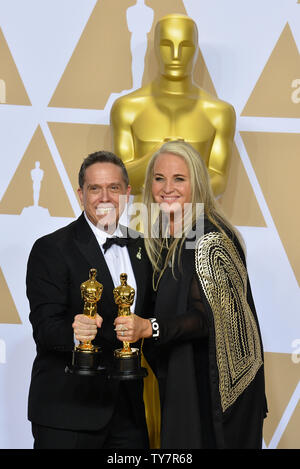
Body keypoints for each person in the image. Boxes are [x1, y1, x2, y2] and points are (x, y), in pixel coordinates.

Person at [115, 140, 268, 449]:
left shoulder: (209, 236)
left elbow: (206, 319)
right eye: (159, 178)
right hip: (180, 381)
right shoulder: (165, 236)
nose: (166, 187)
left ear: (196, 184)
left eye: (179, 179)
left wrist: (150, 327)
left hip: (212, 397)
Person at [26, 151, 153, 449]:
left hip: (128, 414)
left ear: (127, 194)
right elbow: (44, 329)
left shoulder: (144, 249)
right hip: (68, 414)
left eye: (114, 188)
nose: (105, 197)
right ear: (81, 194)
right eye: (95, 188)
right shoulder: (51, 249)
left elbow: (150, 319)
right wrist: (75, 332)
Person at [110, 14, 236, 198]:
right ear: (155, 48)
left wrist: (175, 178)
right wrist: (159, 155)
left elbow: (219, 180)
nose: (176, 55)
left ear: (195, 49)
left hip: (196, 223)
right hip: (143, 222)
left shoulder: (219, 113)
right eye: (166, 45)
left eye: (185, 46)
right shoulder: (127, 108)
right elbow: (123, 180)